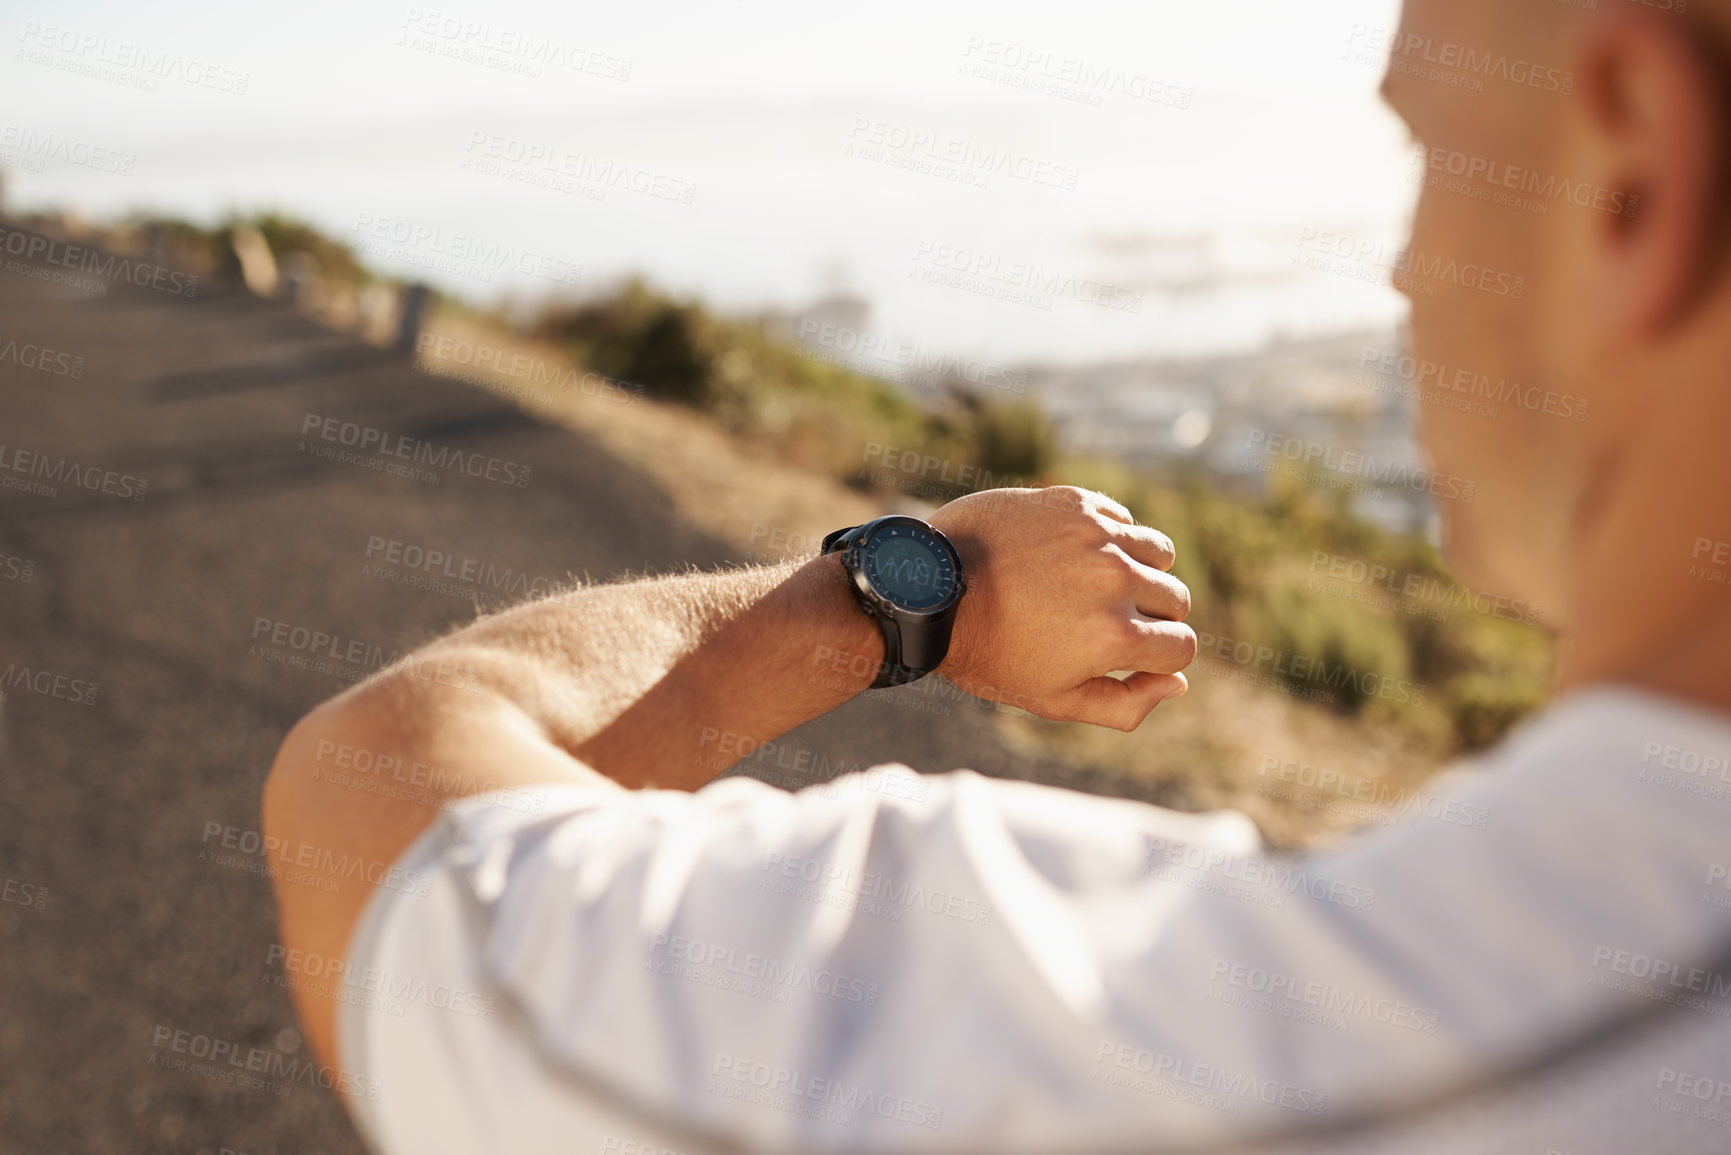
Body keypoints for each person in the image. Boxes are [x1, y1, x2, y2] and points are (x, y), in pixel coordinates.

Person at [262, 1, 1731, 1151]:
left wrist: (924, 586)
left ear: (1638, 170)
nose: (1407, 268)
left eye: (1434, 145)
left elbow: (378, 784)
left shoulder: (1225, 1067)